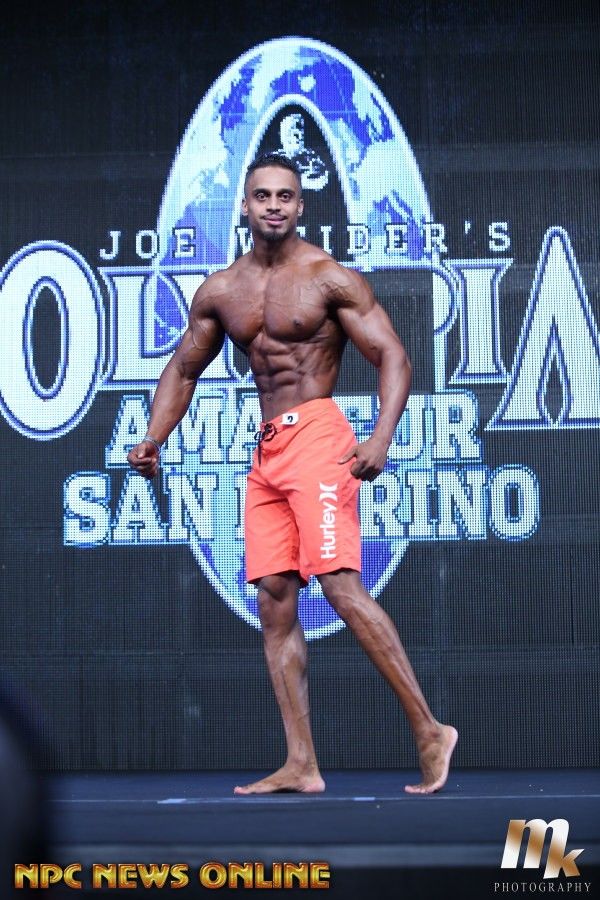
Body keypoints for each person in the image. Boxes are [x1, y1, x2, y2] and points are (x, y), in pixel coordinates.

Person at [128, 152, 458, 795]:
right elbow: (183, 369)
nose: (274, 205)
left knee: (339, 584)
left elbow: (392, 354)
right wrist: (153, 438)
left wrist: (381, 436)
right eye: (263, 196)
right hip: (268, 451)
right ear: (245, 205)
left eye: (285, 196)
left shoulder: (329, 278)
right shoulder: (222, 290)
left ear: (301, 206)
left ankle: (428, 730)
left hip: (318, 437)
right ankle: (301, 762)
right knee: (274, 600)